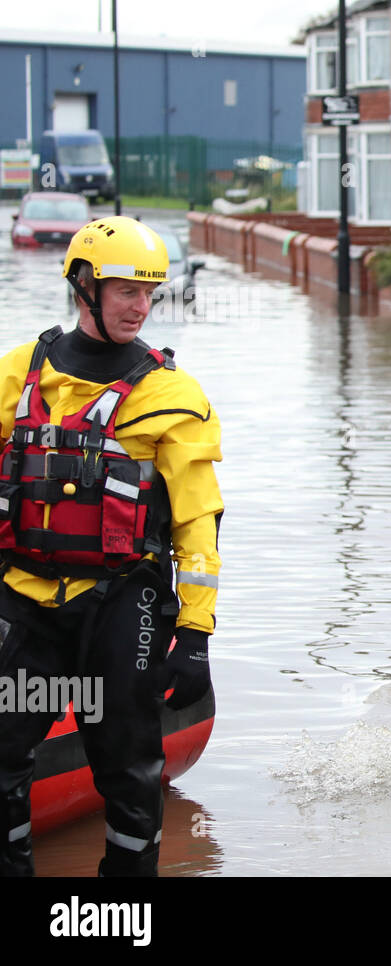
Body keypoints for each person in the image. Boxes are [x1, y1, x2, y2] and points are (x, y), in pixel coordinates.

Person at [0, 216, 222, 876]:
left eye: (150, 292)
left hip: (124, 609)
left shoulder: (172, 394)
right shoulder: (18, 374)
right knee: (4, 751)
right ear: (83, 285)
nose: (141, 307)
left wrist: (197, 635)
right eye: (126, 290)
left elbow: (197, 524)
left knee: (129, 773)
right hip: (25, 602)